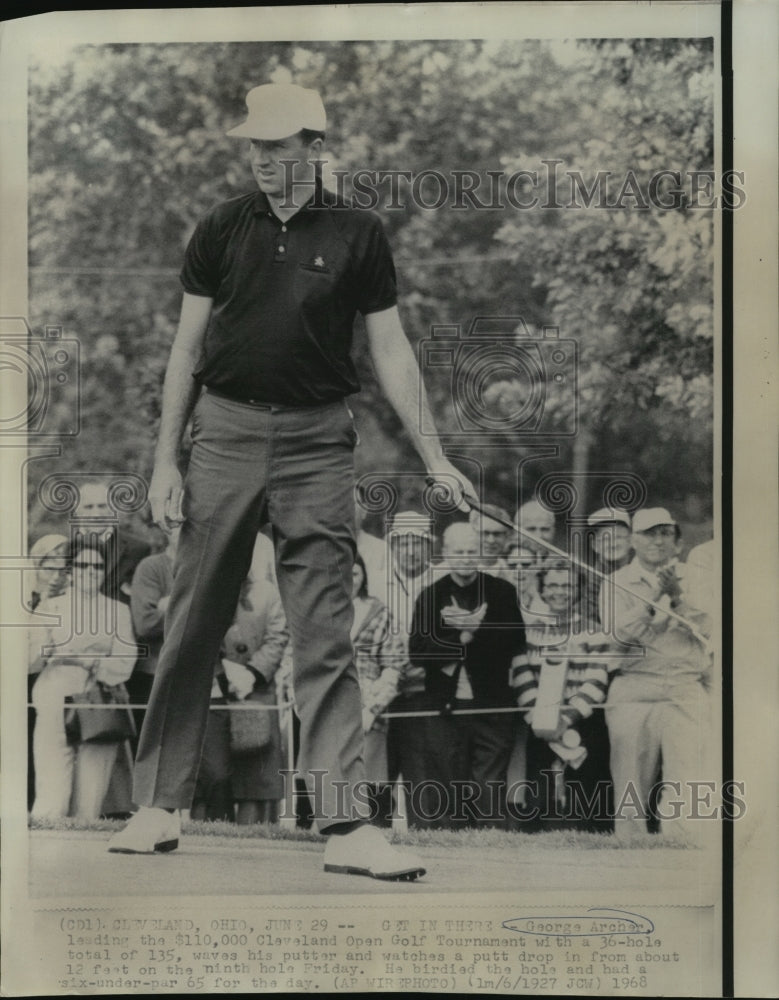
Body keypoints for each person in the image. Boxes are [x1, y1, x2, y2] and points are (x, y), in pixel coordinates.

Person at [109, 83, 475, 880]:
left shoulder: (358, 232)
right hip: (225, 433)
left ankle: (346, 825)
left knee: (325, 629)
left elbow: (391, 351)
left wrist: (436, 457)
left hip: (317, 442)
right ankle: (158, 808)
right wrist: (164, 459)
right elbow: (184, 351)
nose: (264, 162)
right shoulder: (220, 228)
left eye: (278, 148)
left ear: (315, 145)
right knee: (192, 619)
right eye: (254, 148)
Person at [602, 507, 713, 840]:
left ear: (678, 543)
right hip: (635, 686)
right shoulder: (616, 581)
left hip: (684, 686)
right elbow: (616, 636)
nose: (658, 541)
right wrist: (651, 599)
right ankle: (630, 845)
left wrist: (678, 600)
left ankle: (680, 847)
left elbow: (712, 628)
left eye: (666, 534)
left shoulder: (697, 579)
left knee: (688, 774)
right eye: (649, 533)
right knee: (630, 777)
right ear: (633, 541)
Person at [408, 522, 526, 828]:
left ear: (481, 552)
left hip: (492, 705)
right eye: (458, 551)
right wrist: (459, 640)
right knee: (447, 785)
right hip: (445, 705)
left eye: (471, 551)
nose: (465, 557)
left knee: (489, 787)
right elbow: (418, 651)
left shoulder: (501, 592)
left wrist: (478, 629)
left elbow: (515, 642)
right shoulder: (431, 596)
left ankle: (492, 856)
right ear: (445, 553)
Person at [30, 541, 138, 818]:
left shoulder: (118, 611)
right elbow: (30, 660)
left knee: (90, 800)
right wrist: (49, 653)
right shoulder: (49, 607)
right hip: (54, 701)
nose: (91, 571)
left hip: (97, 703)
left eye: (98, 566)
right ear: (71, 570)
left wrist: (87, 659)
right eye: (83, 565)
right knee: (52, 796)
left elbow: (126, 661)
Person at [510, 558, 612, 831]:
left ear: (578, 590)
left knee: (586, 798)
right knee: (539, 797)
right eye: (552, 585)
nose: (560, 592)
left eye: (567, 585)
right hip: (539, 725)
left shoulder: (595, 631)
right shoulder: (528, 631)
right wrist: (540, 720)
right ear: (541, 590)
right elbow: (522, 677)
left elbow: (597, 679)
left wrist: (567, 719)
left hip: (581, 722)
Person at [376, 511, 438, 829]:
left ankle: (424, 839)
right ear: (392, 546)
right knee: (378, 774)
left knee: (421, 774)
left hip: (423, 693)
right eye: (403, 544)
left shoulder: (442, 581)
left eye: (418, 544)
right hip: (381, 695)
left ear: (430, 547)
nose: (410, 551)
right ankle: (374, 837)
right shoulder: (376, 583)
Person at [350, 552, 406, 823]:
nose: (348, 581)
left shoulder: (379, 612)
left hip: (369, 706)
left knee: (372, 782)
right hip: (330, 705)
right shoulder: (320, 610)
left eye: (354, 574)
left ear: (363, 577)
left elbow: (394, 665)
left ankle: (376, 834)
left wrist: (373, 707)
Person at [26, 534, 71, 809]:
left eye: (62, 569)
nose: (56, 576)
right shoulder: (19, 598)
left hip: (49, 685)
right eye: (48, 567)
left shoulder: (69, 604)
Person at [128, 524, 181, 732]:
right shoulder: (150, 567)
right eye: (179, 526)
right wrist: (190, 605)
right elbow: (146, 624)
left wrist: (169, 604)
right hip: (155, 675)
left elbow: (221, 620)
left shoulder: (209, 568)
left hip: (204, 677)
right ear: (168, 530)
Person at [581, 507, 633, 625]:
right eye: (605, 539)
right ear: (594, 545)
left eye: (618, 537)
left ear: (630, 541)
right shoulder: (588, 582)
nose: (613, 544)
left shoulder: (641, 572)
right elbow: (590, 624)